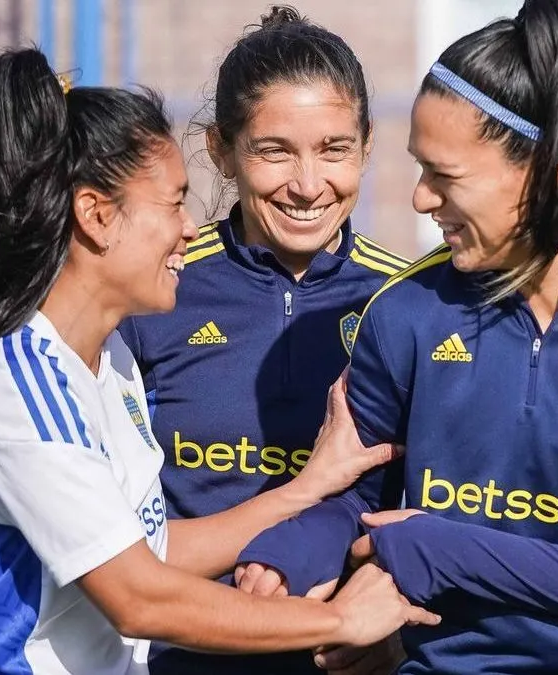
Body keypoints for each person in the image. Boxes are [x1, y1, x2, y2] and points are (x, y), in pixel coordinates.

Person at [235, 1, 558, 673]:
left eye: (444, 175)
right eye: (420, 169)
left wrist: (448, 552)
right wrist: (288, 553)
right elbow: (359, 499)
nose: (421, 198)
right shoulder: (406, 310)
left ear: (552, 168)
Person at [0, 47, 437, 675]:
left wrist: (306, 490)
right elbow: (140, 600)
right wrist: (341, 622)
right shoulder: (20, 389)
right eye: (173, 204)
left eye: (333, 148)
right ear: (97, 216)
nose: (191, 228)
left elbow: (152, 550)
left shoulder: (107, 365)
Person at [117, 7, 411, 674]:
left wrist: (394, 623)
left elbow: (444, 509)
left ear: (367, 147)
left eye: (334, 149)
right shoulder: (152, 296)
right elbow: (109, 539)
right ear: (222, 150)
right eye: (274, 151)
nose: (307, 185)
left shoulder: (409, 304)